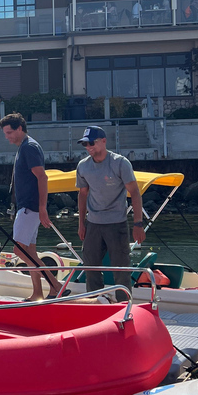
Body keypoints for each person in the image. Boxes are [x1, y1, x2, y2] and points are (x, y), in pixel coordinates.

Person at [1, 113, 69, 301]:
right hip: (27, 207)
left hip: (29, 208)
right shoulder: (25, 146)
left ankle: (56, 285)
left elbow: (42, 177)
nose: (7, 137)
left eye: (9, 132)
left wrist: (42, 208)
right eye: (5, 133)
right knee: (30, 252)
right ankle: (38, 293)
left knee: (18, 250)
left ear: (19, 129)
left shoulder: (29, 147)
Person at [75, 126, 146, 301]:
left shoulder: (120, 163)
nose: (88, 147)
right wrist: (81, 223)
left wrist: (138, 224)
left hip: (117, 223)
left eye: (91, 142)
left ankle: (123, 306)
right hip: (93, 223)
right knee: (91, 268)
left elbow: (135, 193)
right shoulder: (83, 166)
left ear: (104, 141)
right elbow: (82, 194)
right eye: (85, 144)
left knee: (121, 269)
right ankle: (96, 302)